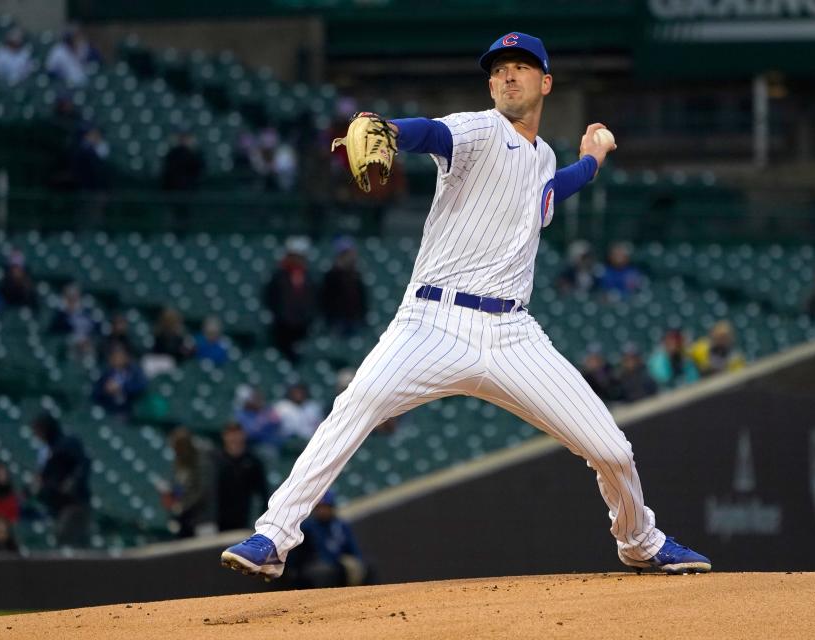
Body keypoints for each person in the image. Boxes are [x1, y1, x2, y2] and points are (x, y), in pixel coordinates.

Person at [223, 31, 711, 580]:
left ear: (545, 82)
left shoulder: (542, 156)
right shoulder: (479, 129)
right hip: (432, 322)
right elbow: (431, 134)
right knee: (354, 407)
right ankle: (273, 535)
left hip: (512, 334)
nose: (507, 75)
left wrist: (592, 161)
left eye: (521, 67)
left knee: (613, 450)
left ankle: (640, 540)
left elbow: (551, 190)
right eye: (499, 68)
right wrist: (387, 130)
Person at [30, 412, 91, 547]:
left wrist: (72, 482)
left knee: (67, 539)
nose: (36, 434)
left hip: (74, 503)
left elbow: (83, 464)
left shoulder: (68, 443)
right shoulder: (46, 450)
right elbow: (44, 476)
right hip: (55, 504)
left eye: (38, 429)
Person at [288, 491, 369, 588]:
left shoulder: (340, 524)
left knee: (367, 566)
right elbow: (314, 553)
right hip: (314, 564)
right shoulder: (307, 527)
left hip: (338, 560)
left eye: (325, 507)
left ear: (331, 507)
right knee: (329, 571)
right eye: (319, 507)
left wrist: (357, 560)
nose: (322, 511)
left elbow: (353, 548)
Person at [263, 236, 318, 363]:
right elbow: (270, 298)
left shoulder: (309, 277)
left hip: (304, 325)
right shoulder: (278, 276)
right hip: (282, 327)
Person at [214, 422, 268, 532]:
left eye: (237, 433)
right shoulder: (216, 460)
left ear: (243, 435)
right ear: (224, 436)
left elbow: (263, 493)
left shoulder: (253, 461)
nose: (234, 438)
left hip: (244, 519)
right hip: (218, 519)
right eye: (230, 434)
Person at [161, 427, 214, 538]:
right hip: (185, 520)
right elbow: (179, 486)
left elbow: (202, 491)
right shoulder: (179, 463)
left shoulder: (201, 461)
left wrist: (182, 506)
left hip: (202, 518)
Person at [320, 236, 368, 336]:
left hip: (354, 321)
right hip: (336, 322)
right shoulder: (330, 276)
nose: (351, 257)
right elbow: (325, 301)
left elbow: (362, 300)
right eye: (348, 254)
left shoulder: (356, 275)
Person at [91, 344, 147, 418]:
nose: (117, 359)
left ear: (126, 357)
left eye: (120, 356)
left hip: (130, 410)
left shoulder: (134, 371)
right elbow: (96, 393)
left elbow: (142, 385)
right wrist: (106, 389)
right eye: (114, 356)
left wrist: (121, 387)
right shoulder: (105, 373)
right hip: (109, 411)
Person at [48, 283, 95, 360]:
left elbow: (93, 331)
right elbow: (56, 333)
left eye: (75, 298)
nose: (73, 301)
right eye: (70, 298)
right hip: (68, 347)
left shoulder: (86, 314)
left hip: (87, 347)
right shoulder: (59, 316)